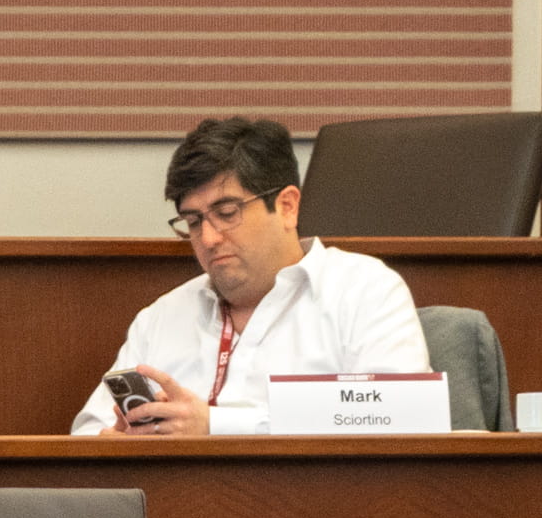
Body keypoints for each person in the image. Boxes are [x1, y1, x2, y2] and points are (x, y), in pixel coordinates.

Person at [74, 115, 425, 437]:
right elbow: (90, 428)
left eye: (227, 213)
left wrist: (216, 426)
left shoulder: (365, 290)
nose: (209, 239)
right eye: (193, 222)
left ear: (287, 206)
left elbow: (399, 415)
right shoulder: (161, 317)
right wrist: (115, 441)